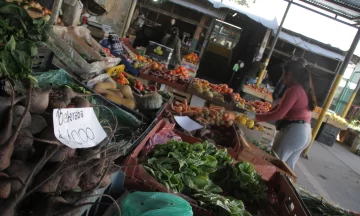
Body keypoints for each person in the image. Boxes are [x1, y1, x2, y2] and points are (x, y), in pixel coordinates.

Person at [255, 59, 317, 170]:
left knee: (273, 165)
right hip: (305, 132)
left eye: (284, 75)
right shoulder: (303, 88)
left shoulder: (294, 89)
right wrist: (264, 114)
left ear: (290, 75)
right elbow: (280, 107)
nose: (282, 79)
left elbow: (279, 114)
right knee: (287, 169)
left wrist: (256, 117)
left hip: (294, 133)